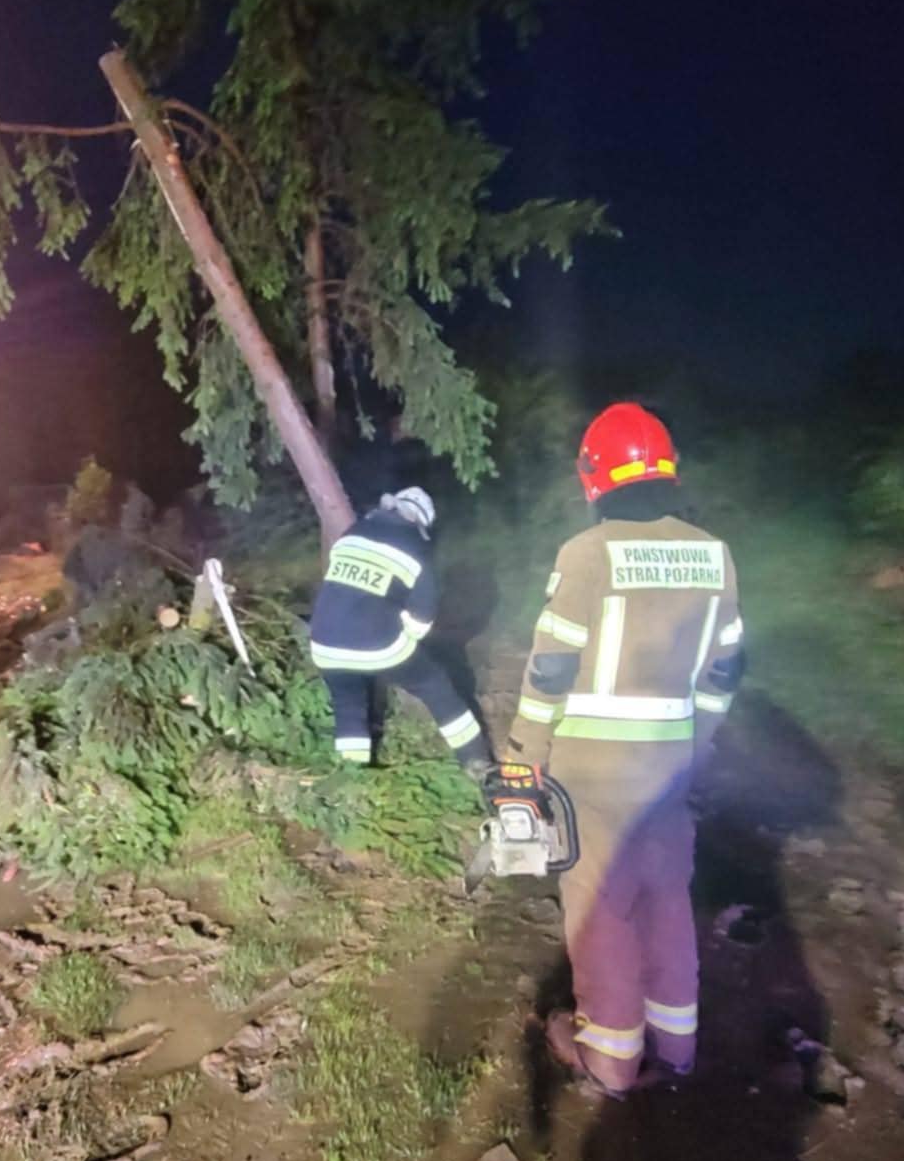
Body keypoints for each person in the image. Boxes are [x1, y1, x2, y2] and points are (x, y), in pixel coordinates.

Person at [503, 403, 743, 1098]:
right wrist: (697, 744)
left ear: (593, 477)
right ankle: (677, 1043)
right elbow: (726, 669)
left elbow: (551, 669)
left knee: (600, 906)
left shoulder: (586, 554)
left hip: (593, 772)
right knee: (667, 893)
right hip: (670, 766)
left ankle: (609, 1056)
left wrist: (524, 757)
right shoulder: (714, 554)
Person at [309, 486, 491, 772]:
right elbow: (421, 620)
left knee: (348, 704)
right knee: (436, 686)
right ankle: (476, 760)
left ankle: (352, 777)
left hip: (324, 643)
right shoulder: (414, 549)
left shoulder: (351, 535)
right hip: (378, 645)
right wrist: (402, 632)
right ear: (418, 522)